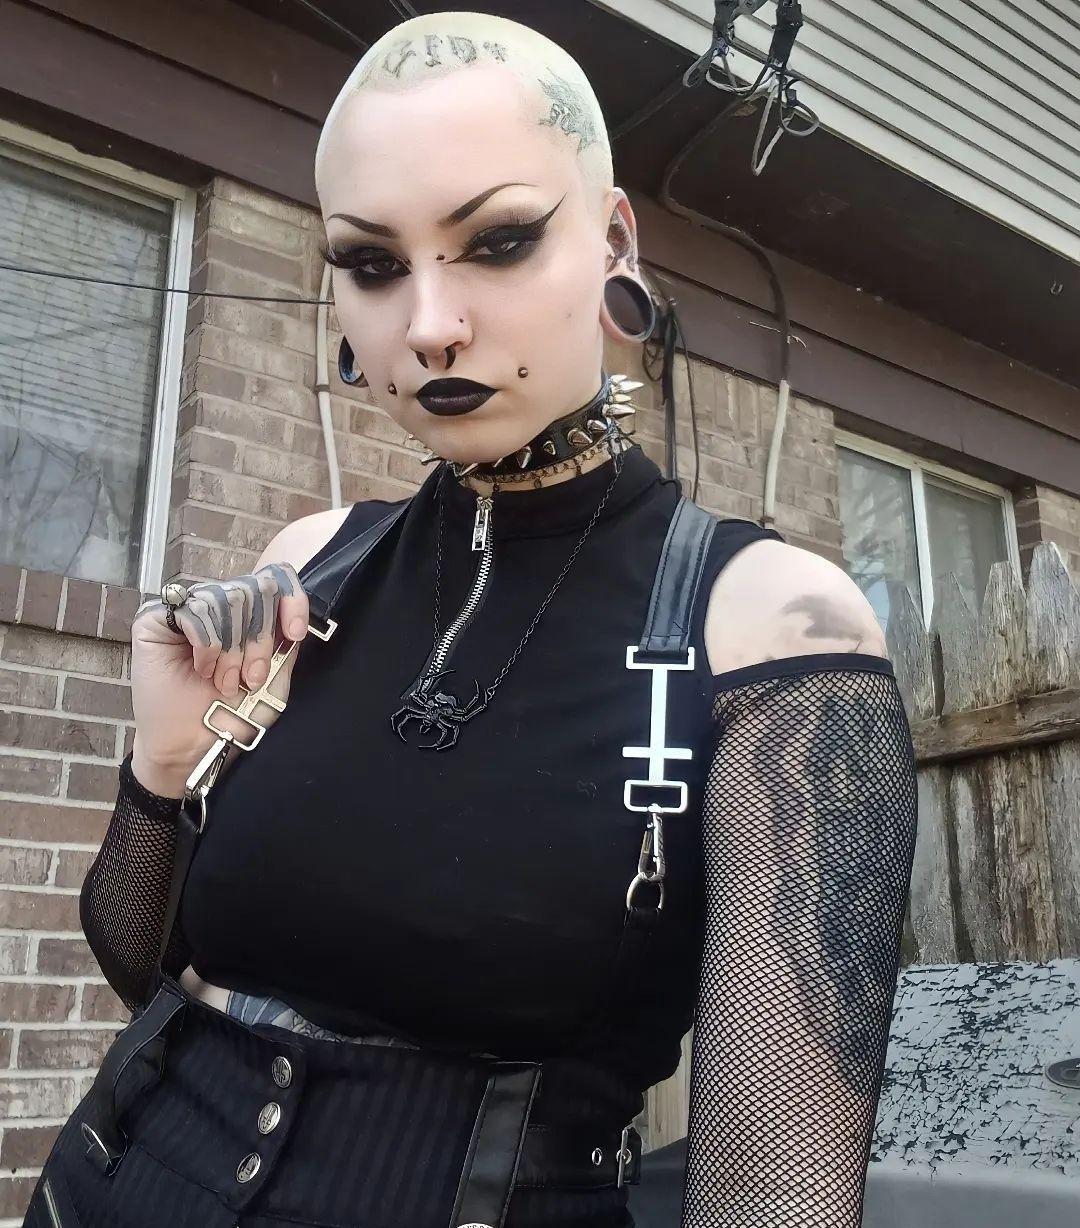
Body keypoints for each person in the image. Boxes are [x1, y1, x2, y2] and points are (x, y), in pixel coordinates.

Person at [24, 12, 917, 1228]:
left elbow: (773, 1192)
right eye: (372, 262)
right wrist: (164, 765)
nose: (429, 323)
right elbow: (143, 966)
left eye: (497, 242)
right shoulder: (309, 566)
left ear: (614, 241)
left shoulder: (772, 630)